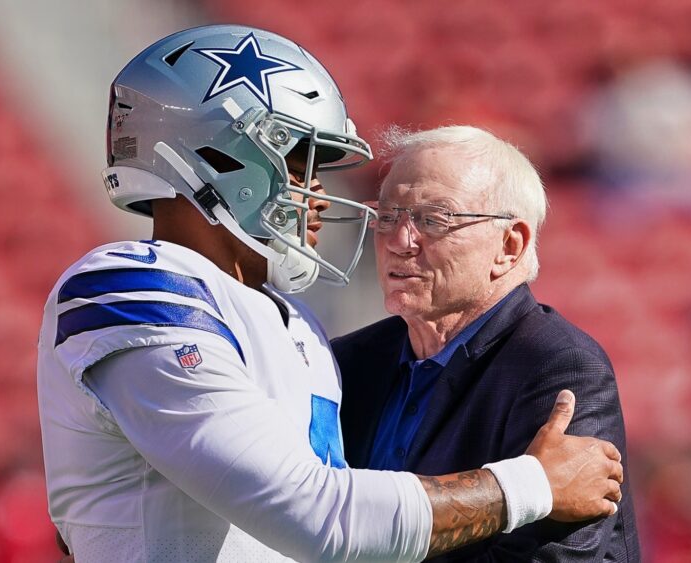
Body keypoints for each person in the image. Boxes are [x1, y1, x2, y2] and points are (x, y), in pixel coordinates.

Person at [39, 25, 623, 562]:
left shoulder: (298, 327)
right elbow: (315, 514)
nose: (318, 194)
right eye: (296, 166)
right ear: (214, 157)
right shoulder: (131, 287)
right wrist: (531, 485)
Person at [333, 125, 640, 561]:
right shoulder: (350, 360)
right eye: (386, 217)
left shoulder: (557, 366)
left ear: (509, 246)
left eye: (433, 220)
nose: (399, 242)